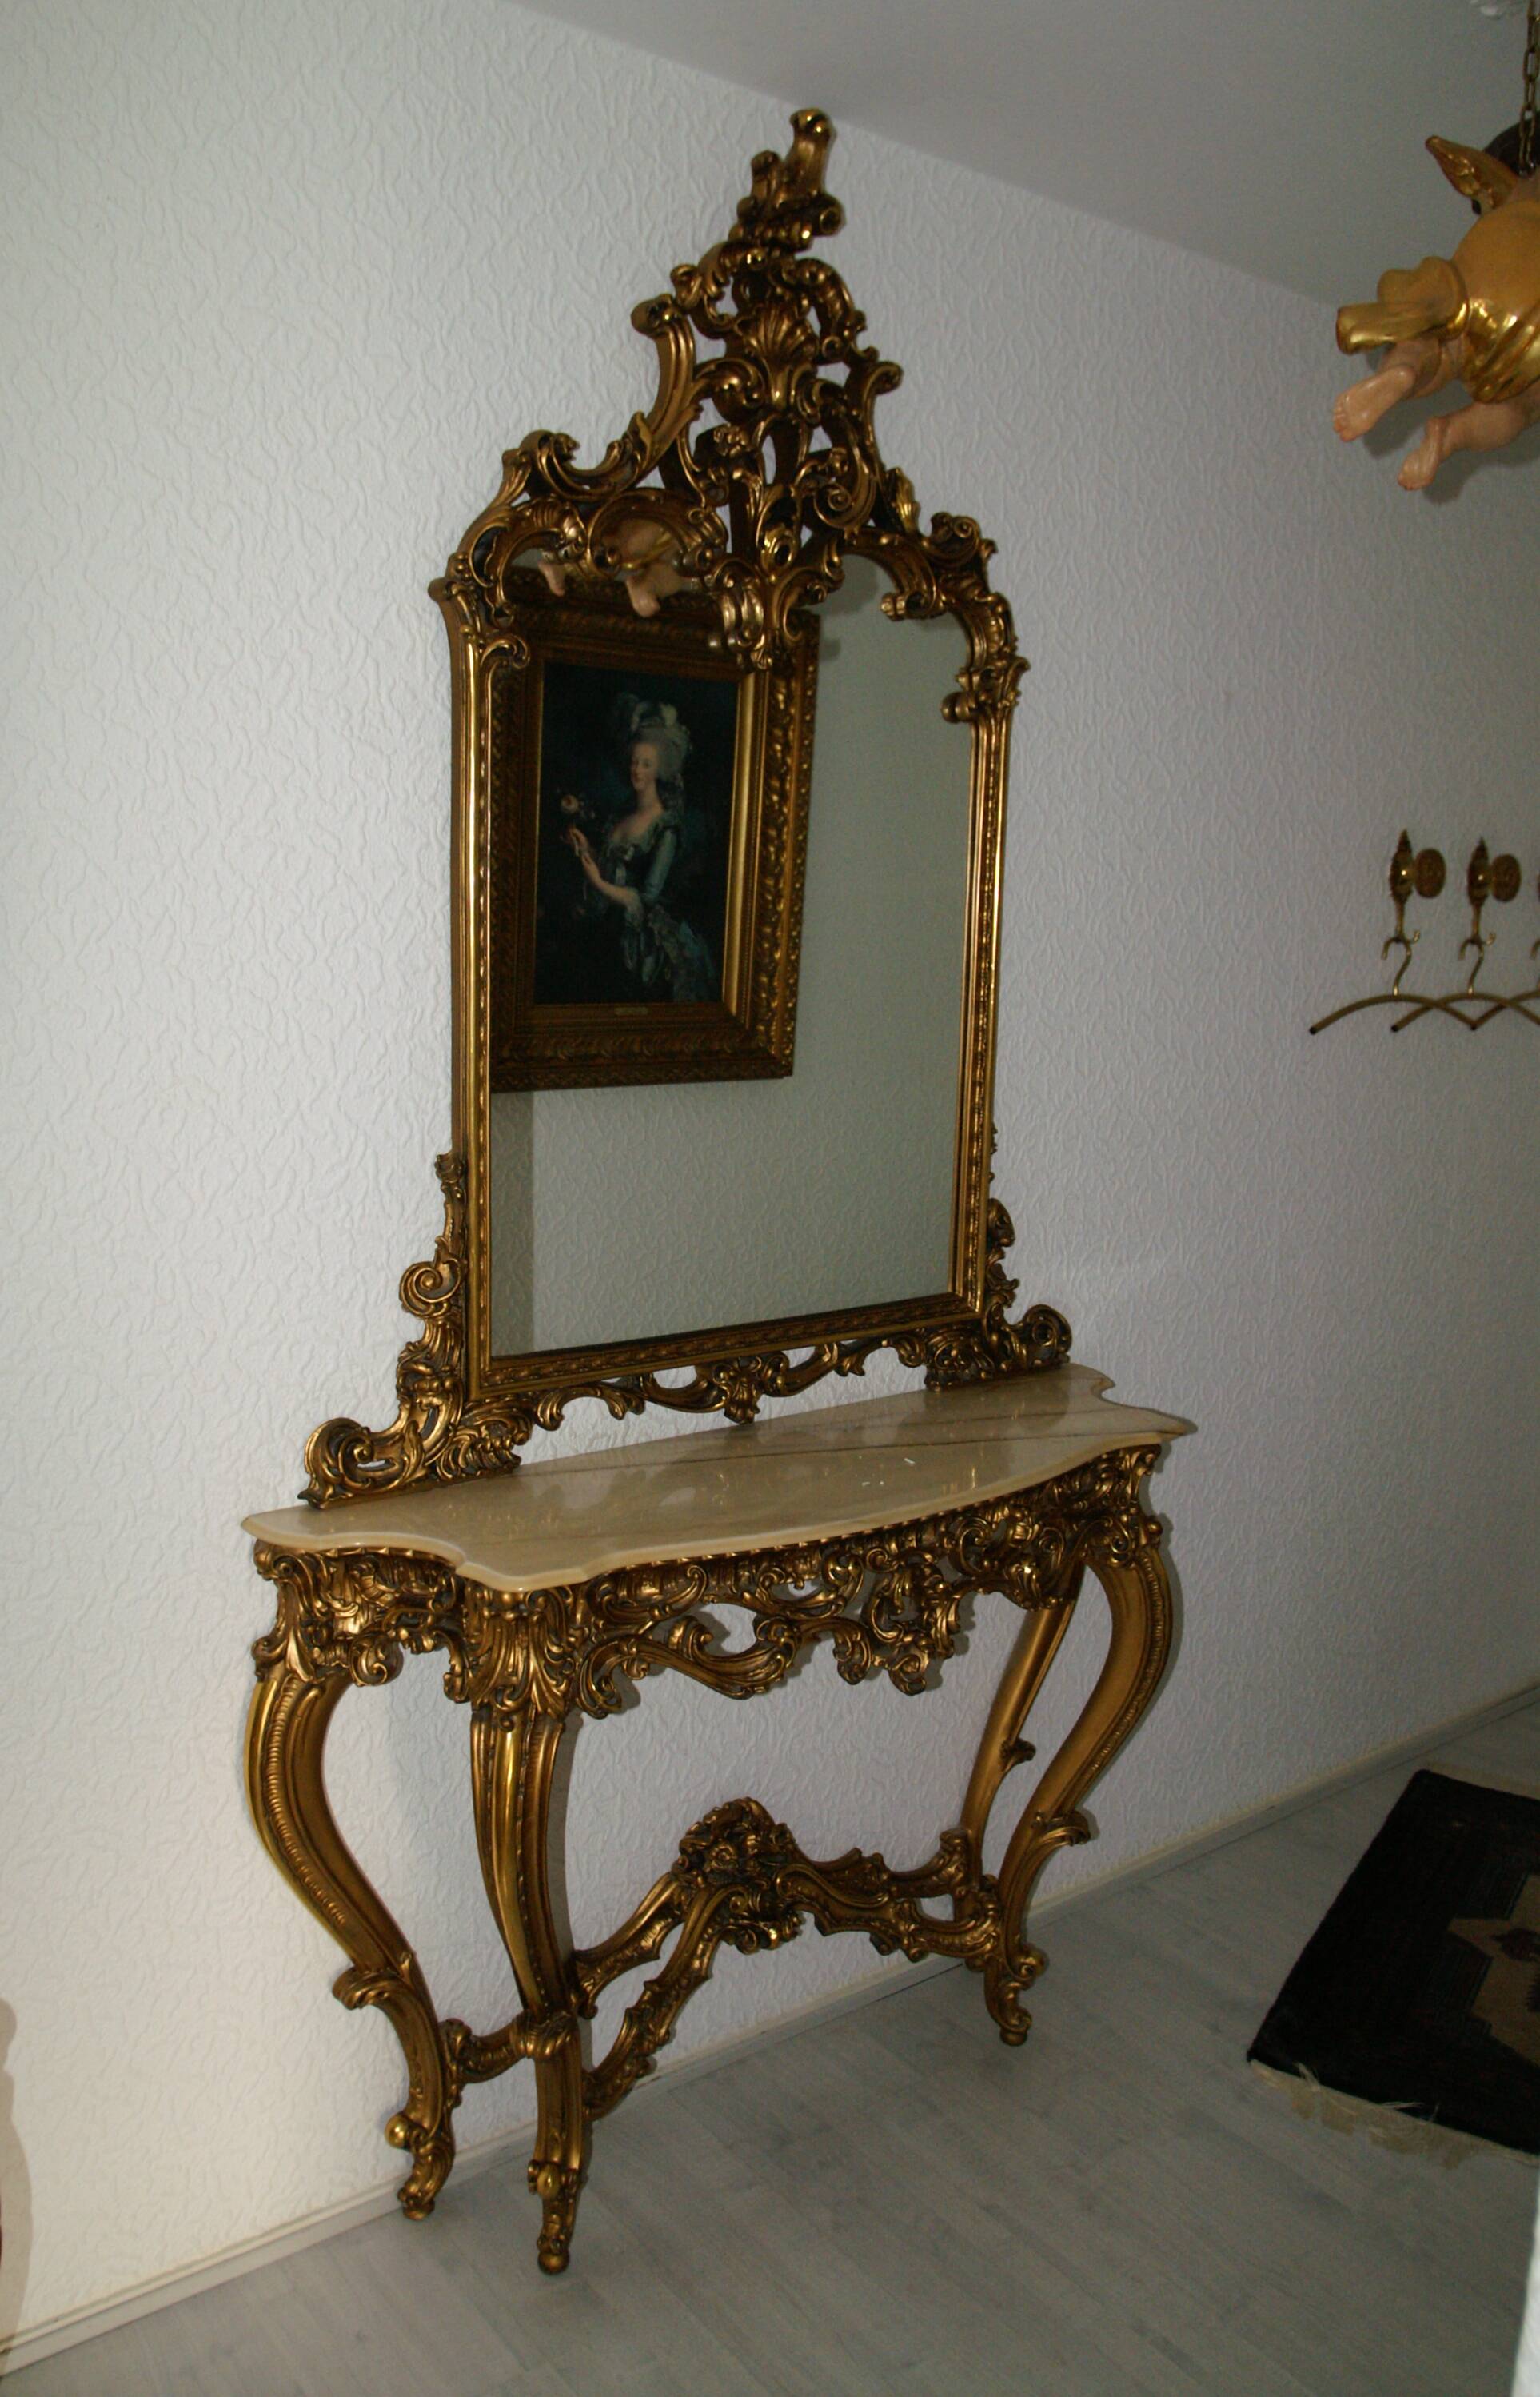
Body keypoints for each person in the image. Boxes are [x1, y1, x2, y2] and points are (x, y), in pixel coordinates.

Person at [564, 699, 717, 1001]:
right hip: (607, 925)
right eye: (634, 762)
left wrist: (597, 882)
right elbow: (613, 866)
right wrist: (587, 848)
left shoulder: (665, 828)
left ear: (659, 768)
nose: (637, 769)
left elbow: (645, 899)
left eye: (646, 763)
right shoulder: (624, 813)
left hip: (637, 942)